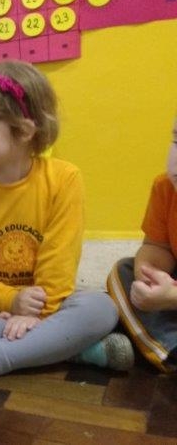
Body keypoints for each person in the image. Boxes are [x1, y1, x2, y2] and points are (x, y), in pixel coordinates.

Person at [0, 60, 133, 377]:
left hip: (48, 306)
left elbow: (60, 257)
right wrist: (10, 300)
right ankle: (70, 350)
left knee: (102, 308)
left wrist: (38, 313)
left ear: (24, 130)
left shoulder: (64, 179)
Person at [106, 115, 177, 372]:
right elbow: (157, 246)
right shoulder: (165, 188)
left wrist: (172, 298)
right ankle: (171, 349)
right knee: (122, 271)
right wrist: (151, 276)